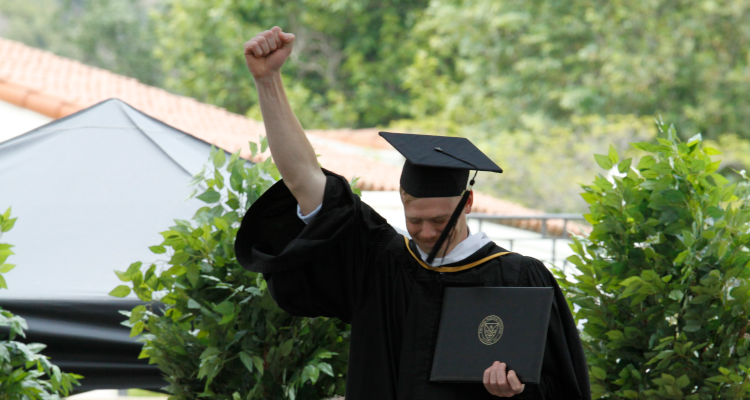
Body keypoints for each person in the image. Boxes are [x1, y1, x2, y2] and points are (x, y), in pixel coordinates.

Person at [235, 26, 591, 400]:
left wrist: (517, 393)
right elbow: (304, 178)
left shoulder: (519, 278)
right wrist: (268, 80)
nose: (425, 231)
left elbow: (562, 388)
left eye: (440, 221)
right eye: (415, 219)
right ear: (403, 198)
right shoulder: (379, 262)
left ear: (467, 204)